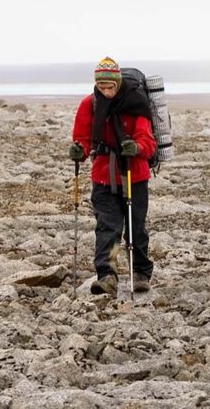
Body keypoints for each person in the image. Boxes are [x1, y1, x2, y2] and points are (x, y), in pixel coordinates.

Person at [69, 57, 156, 297]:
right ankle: (107, 276)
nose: (106, 92)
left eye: (110, 87)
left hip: (133, 174)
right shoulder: (90, 104)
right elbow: (84, 138)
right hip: (103, 174)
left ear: (118, 83)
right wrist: (79, 150)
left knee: (135, 226)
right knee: (108, 226)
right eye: (101, 87)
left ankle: (140, 273)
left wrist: (136, 148)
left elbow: (148, 142)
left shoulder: (136, 103)